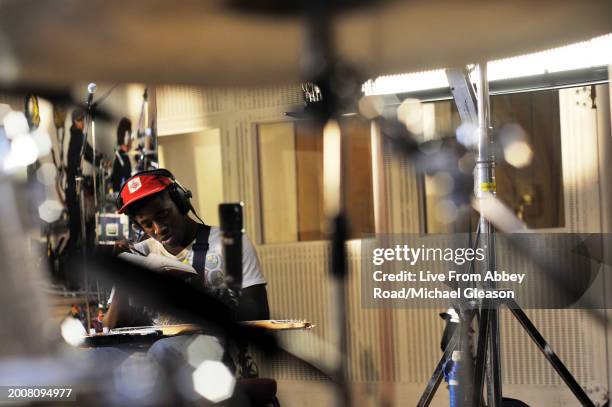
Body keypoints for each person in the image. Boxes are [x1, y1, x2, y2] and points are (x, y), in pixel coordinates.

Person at [103, 169, 269, 381]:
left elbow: (260, 315)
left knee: (162, 352)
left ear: (181, 202)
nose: (158, 228)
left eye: (163, 214)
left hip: (216, 354)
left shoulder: (229, 244)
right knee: (100, 358)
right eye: (147, 224)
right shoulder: (140, 254)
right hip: (158, 356)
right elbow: (110, 328)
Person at [64, 109, 107, 262]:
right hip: (73, 190)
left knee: (77, 229)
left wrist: (98, 157)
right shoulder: (77, 137)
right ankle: (67, 265)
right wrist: (102, 159)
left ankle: (68, 266)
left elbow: (89, 153)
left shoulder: (75, 136)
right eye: (82, 121)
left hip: (72, 189)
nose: (84, 124)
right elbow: (90, 154)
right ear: (77, 121)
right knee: (77, 229)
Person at [110, 117, 132, 193]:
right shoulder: (123, 134)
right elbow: (125, 148)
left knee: (119, 177)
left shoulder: (121, 133)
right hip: (121, 157)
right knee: (126, 176)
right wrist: (130, 141)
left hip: (120, 157)